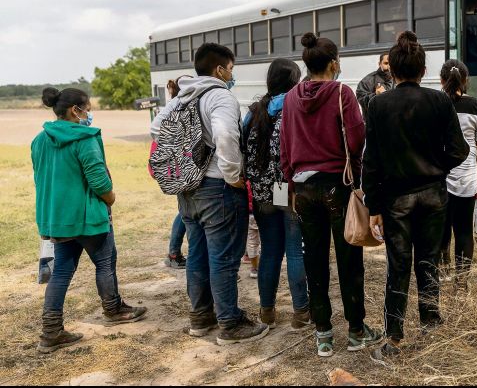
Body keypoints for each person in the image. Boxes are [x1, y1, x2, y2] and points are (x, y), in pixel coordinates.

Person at [151, 43, 269, 345]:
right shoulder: (220, 95)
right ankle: (230, 323)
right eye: (231, 69)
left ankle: (201, 317)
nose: (232, 75)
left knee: (198, 255)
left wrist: (186, 157)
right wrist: (232, 176)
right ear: (220, 69)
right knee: (224, 258)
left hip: (188, 188)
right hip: (217, 187)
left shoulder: (182, 96)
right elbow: (226, 134)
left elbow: (156, 128)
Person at [363, 31, 469, 359]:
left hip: (396, 199)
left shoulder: (378, 104)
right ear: (423, 71)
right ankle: (431, 324)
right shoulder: (439, 101)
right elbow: (459, 150)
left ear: (391, 72)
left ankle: (393, 337)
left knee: (398, 267)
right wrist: (437, 167)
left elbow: (372, 161)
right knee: (428, 263)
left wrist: (374, 205)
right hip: (434, 194)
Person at [281, 33, 383, 357]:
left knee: (314, 259)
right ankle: (355, 331)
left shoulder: (291, 97)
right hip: (338, 186)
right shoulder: (343, 93)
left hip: (303, 188)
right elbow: (357, 140)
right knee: (349, 259)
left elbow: (285, 148)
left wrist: (289, 187)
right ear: (334, 63)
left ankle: (323, 333)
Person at [33, 87, 147, 353]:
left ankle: (51, 331)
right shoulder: (86, 137)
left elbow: (40, 179)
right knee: (105, 263)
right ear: (76, 110)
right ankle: (114, 309)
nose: (89, 113)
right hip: (89, 218)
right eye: (88, 108)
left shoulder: (39, 140)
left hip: (59, 218)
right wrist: (110, 198)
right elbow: (98, 179)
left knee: (61, 271)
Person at [243, 58, 311, 331]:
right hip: (287, 190)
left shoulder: (254, 110)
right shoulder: (296, 108)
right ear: (294, 81)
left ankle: (267, 311)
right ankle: (300, 313)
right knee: (295, 251)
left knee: (270, 251)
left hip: (260, 193)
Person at [437, 60, 477, 288]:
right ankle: (462, 280)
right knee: (464, 231)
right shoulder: (476, 106)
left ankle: (442, 269)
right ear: (466, 80)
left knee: (441, 228)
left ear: (441, 80)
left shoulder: (436, 104)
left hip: (440, 177)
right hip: (467, 179)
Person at [159, 75, 192, 270]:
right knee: (184, 213)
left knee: (183, 212)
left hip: (178, 170)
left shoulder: (174, 106)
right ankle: (173, 253)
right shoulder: (180, 108)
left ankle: (173, 252)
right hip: (183, 170)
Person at [356, 52, 393, 118]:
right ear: (379, 64)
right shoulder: (367, 80)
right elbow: (361, 100)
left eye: (391, 64)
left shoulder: (398, 79)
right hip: (373, 124)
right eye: (386, 63)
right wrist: (375, 95)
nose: (389, 67)